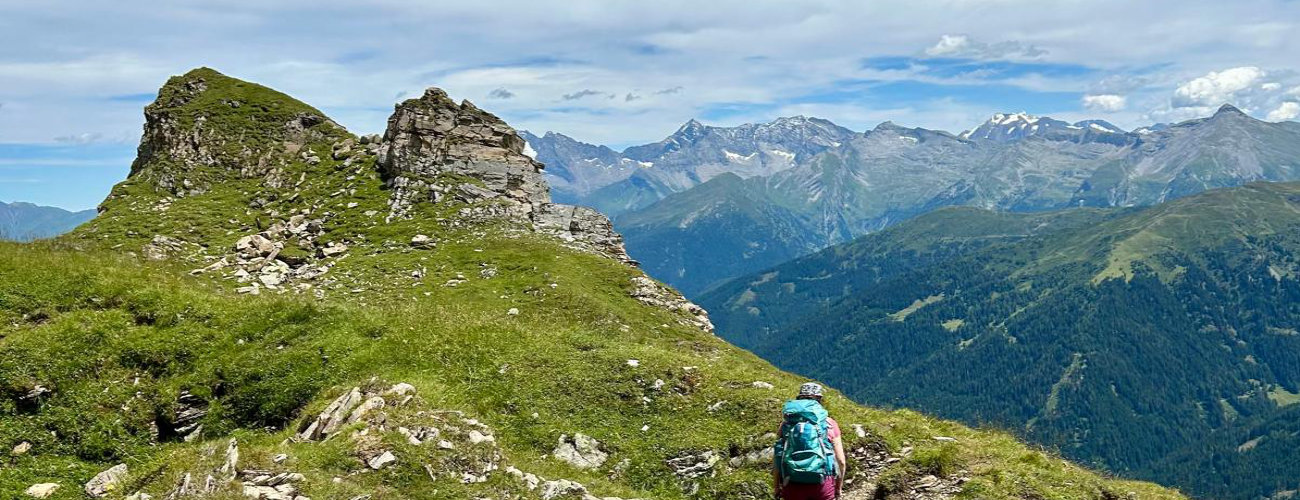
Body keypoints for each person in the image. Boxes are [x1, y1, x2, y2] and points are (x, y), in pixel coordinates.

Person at [773, 382, 847, 500]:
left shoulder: (786, 424)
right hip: (822, 483)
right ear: (819, 400)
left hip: (791, 482)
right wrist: (838, 489)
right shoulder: (829, 424)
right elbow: (841, 461)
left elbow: (778, 456)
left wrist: (776, 487)